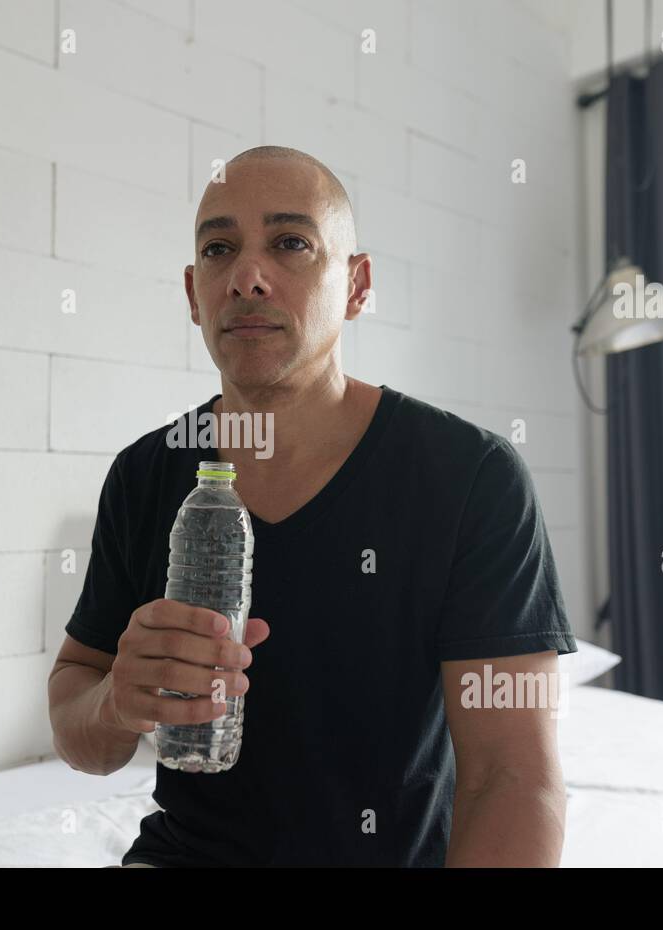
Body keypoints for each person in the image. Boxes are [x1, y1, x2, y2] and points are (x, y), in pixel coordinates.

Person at [48, 146, 577, 867]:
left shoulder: (472, 479)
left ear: (357, 286)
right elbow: (77, 713)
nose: (247, 276)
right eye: (219, 248)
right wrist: (116, 700)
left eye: (291, 243)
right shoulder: (144, 475)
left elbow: (514, 777)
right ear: (193, 293)